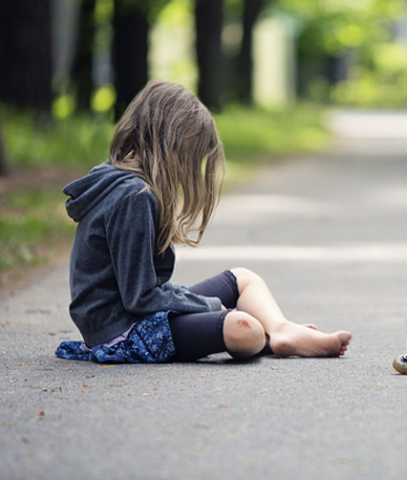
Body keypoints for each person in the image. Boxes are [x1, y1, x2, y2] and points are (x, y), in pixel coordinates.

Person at [55, 80, 351, 364]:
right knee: (243, 329)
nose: (192, 168)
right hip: (122, 332)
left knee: (244, 278)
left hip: (139, 316)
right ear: (172, 145)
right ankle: (270, 337)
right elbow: (140, 298)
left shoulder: (125, 183)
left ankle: (282, 330)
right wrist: (211, 307)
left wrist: (200, 306)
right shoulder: (133, 195)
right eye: (192, 155)